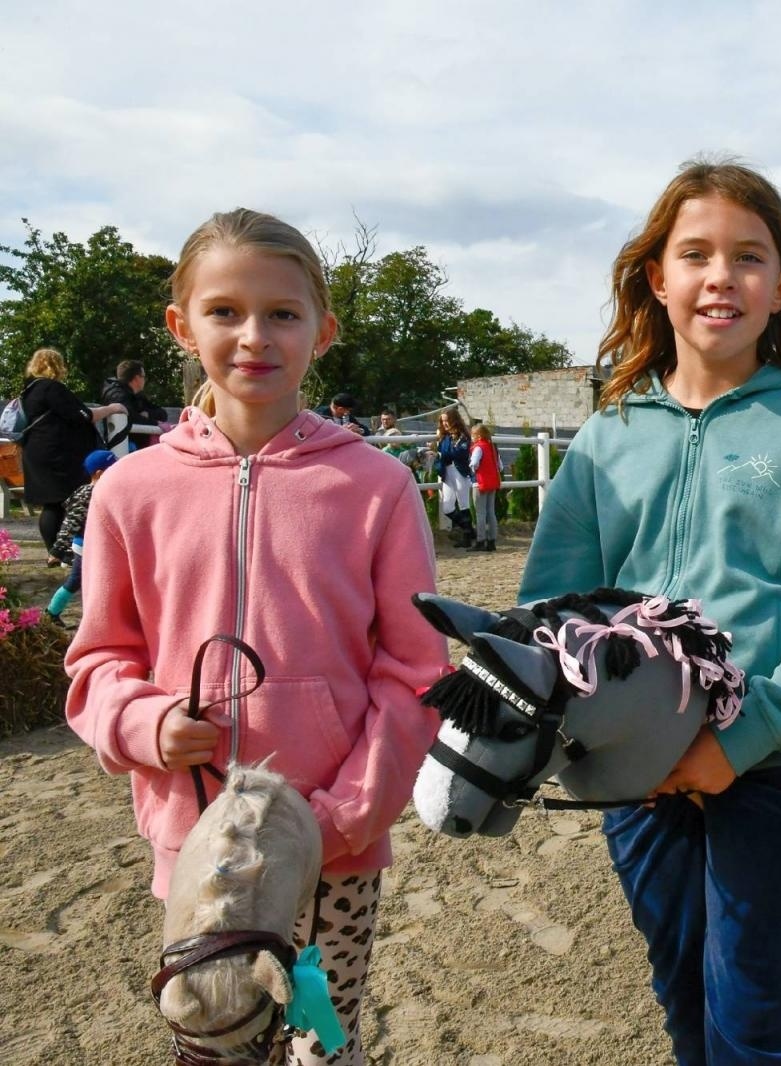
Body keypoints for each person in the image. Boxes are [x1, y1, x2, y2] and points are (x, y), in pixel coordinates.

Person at [518, 158, 781, 1065]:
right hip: (639, 783)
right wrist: (597, 732)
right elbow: (552, 606)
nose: (719, 277)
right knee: (687, 1004)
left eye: (747, 256)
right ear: (658, 279)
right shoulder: (607, 439)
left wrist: (739, 738)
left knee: (755, 1022)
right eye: (695, 254)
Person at [63, 207, 448, 1066]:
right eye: (225, 311)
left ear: (323, 329)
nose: (254, 336)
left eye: (282, 313)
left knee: (319, 1044)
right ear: (181, 325)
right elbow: (97, 665)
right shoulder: (130, 491)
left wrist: (342, 816)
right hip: (198, 852)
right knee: (214, 1044)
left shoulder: (377, 486)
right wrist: (145, 726)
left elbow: (417, 672)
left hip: (335, 851)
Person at [17, 348, 125, 565]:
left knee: (51, 505)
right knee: (75, 500)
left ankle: (54, 552)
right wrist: (111, 408)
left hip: (34, 453)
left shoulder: (28, 391)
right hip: (57, 455)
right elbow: (83, 416)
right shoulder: (51, 388)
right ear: (57, 366)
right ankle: (68, 550)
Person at [46, 449, 117, 626]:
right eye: (114, 469)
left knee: (105, 580)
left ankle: (105, 617)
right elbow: (71, 522)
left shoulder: (112, 491)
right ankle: (52, 612)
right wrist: (58, 550)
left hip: (104, 545)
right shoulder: (87, 494)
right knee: (76, 580)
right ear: (100, 473)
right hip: (86, 546)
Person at [100, 359, 170, 452]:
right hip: (123, 448)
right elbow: (130, 418)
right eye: (143, 377)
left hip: (138, 445)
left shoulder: (138, 396)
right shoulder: (117, 395)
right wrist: (155, 423)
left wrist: (148, 414)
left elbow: (163, 414)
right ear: (137, 378)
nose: (144, 380)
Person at [432, 407, 474, 547]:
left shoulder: (463, 436)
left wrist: (440, 454)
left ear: (454, 420)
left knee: (463, 504)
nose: (445, 423)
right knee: (447, 507)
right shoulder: (444, 437)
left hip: (459, 471)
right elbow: (444, 453)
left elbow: (459, 454)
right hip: (447, 472)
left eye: (447, 420)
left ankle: (467, 536)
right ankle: (469, 530)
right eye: (443, 421)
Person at [466, 421, 500, 552]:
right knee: (491, 511)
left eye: (473, 435)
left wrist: (473, 470)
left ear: (478, 436)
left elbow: (474, 463)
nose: (472, 437)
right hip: (492, 482)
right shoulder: (492, 447)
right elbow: (499, 465)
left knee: (480, 513)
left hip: (479, 482)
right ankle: (492, 540)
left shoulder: (478, 447)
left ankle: (480, 540)